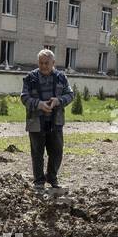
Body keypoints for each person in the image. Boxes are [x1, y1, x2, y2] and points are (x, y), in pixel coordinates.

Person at [20, 49, 74, 191]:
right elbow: (24, 97)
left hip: (55, 121)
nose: (44, 66)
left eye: (47, 63)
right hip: (36, 122)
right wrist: (39, 105)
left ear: (53, 63)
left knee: (57, 151)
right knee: (37, 153)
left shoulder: (61, 77)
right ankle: (38, 181)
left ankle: (52, 176)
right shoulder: (30, 78)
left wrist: (58, 101)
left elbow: (70, 95)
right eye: (41, 63)